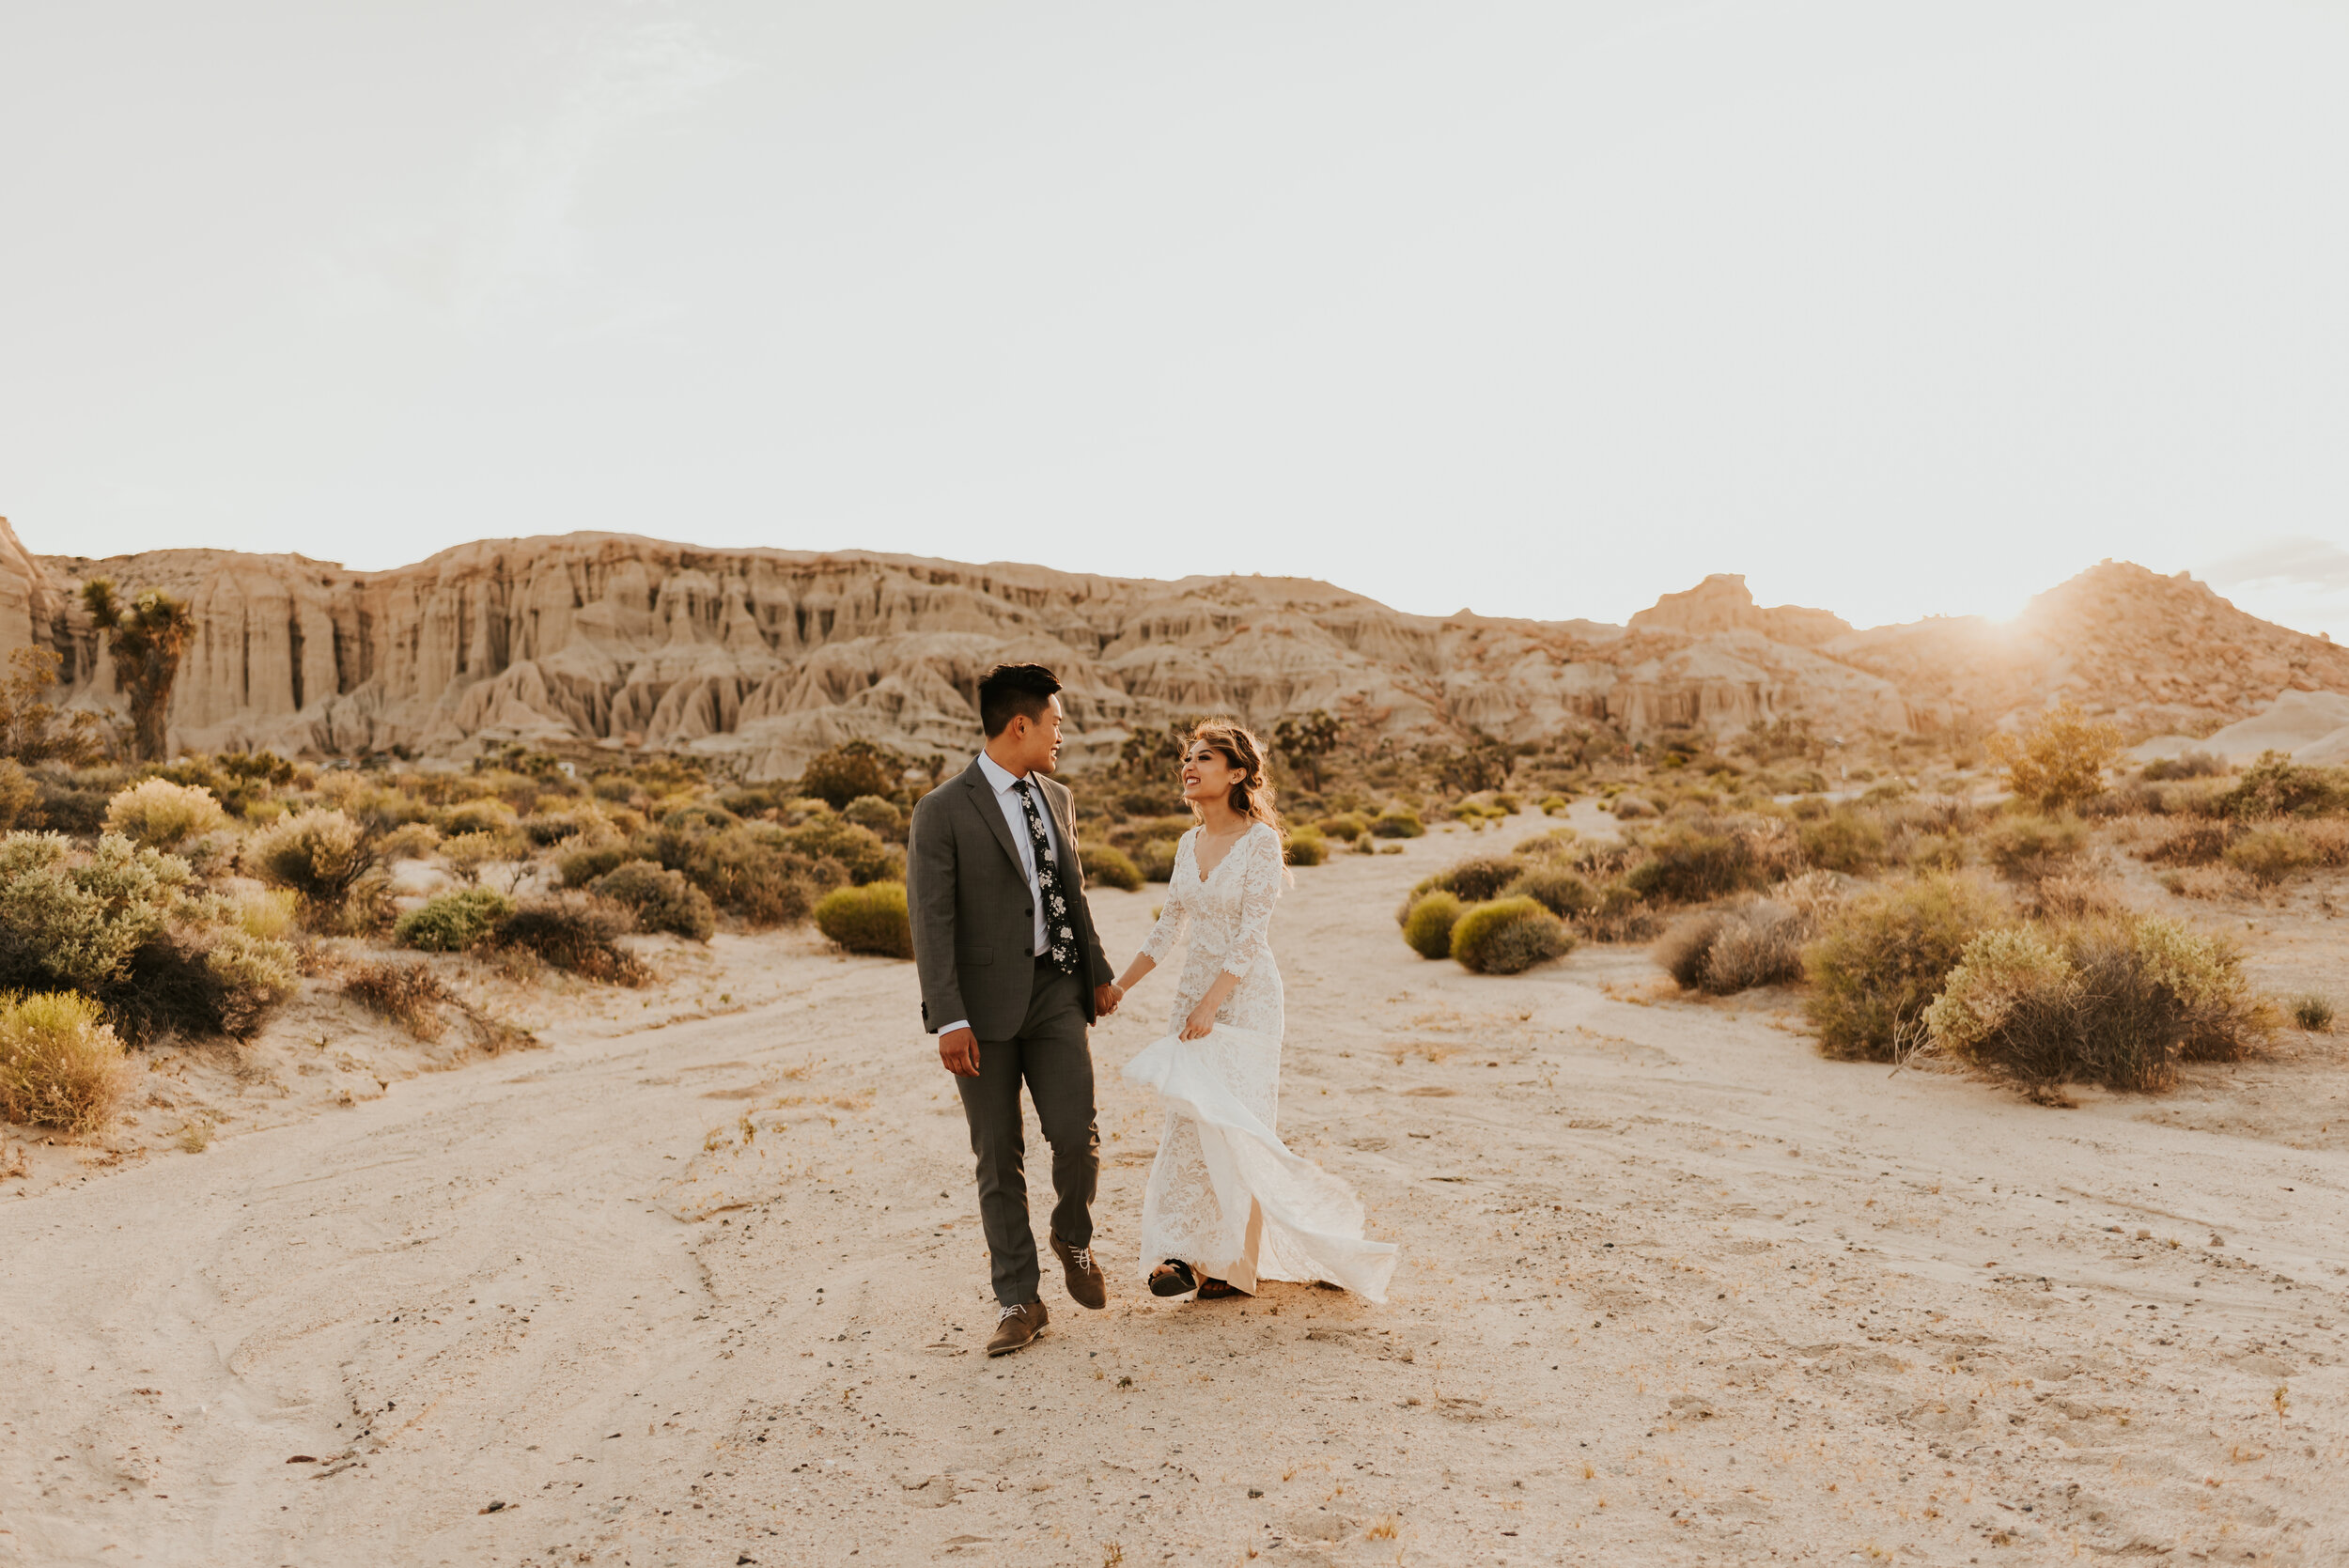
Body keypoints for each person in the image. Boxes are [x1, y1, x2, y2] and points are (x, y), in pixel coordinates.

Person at [1110, 721, 1398, 1303]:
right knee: (1190, 1120)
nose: (1189, 767)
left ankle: (1233, 1267)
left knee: (1239, 1123)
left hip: (1247, 999)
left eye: (1205, 758)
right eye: (1187, 758)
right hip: (1193, 996)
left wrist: (1212, 1007)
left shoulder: (1261, 842)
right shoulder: (1187, 845)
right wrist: (1117, 989)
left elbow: (1249, 937)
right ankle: (1184, 1256)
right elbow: (1167, 928)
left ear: (1237, 773)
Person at [907, 663, 1125, 1358]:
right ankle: (1019, 1299)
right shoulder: (942, 809)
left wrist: (1095, 972)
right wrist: (948, 1017)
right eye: (1056, 722)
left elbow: (1074, 892)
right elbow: (930, 919)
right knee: (997, 1156)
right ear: (1020, 724)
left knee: (1076, 1132)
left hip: (1056, 990)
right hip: (978, 1009)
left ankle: (1072, 1235)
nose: (1063, 734)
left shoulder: (1056, 796)